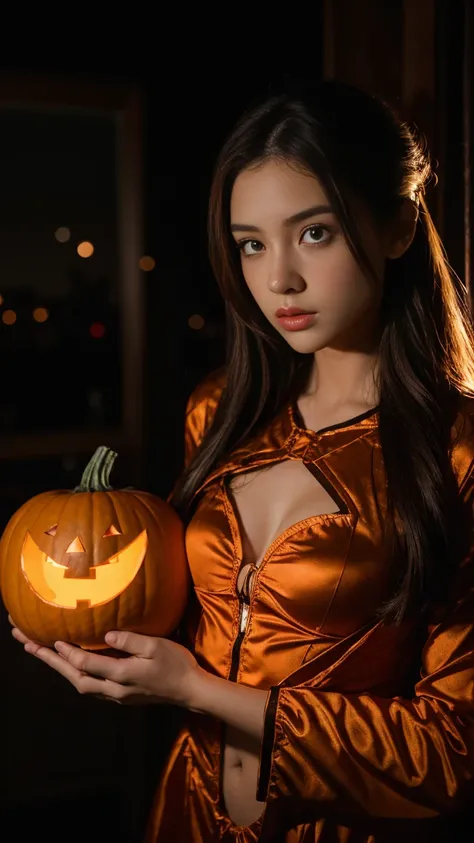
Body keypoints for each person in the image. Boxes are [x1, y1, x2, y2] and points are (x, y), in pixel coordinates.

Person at [11, 80, 474, 842]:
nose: (277, 278)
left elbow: (453, 755)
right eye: (252, 242)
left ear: (397, 227)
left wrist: (193, 688)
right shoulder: (220, 411)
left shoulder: (454, 453)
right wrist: (109, 654)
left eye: (314, 233)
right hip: (188, 813)